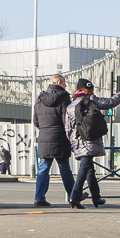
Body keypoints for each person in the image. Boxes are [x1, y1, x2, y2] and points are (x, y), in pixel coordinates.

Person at [64, 78, 120, 208]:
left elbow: (68, 128)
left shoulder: (71, 106)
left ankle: (96, 197)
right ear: (88, 90)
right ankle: (74, 197)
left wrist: (73, 142)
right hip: (91, 139)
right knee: (85, 167)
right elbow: (110, 102)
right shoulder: (92, 99)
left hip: (79, 140)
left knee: (89, 168)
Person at [31, 73, 75, 207]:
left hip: (44, 138)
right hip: (60, 138)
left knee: (43, 169)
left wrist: (45, 129)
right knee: (65, 169)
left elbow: (35, 121)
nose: (66, 85)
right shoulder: (64, 98)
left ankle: (39, 197)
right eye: (65, 83)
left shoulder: (40, 98)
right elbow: (67, 120)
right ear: (59, 83)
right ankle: (73, 196)